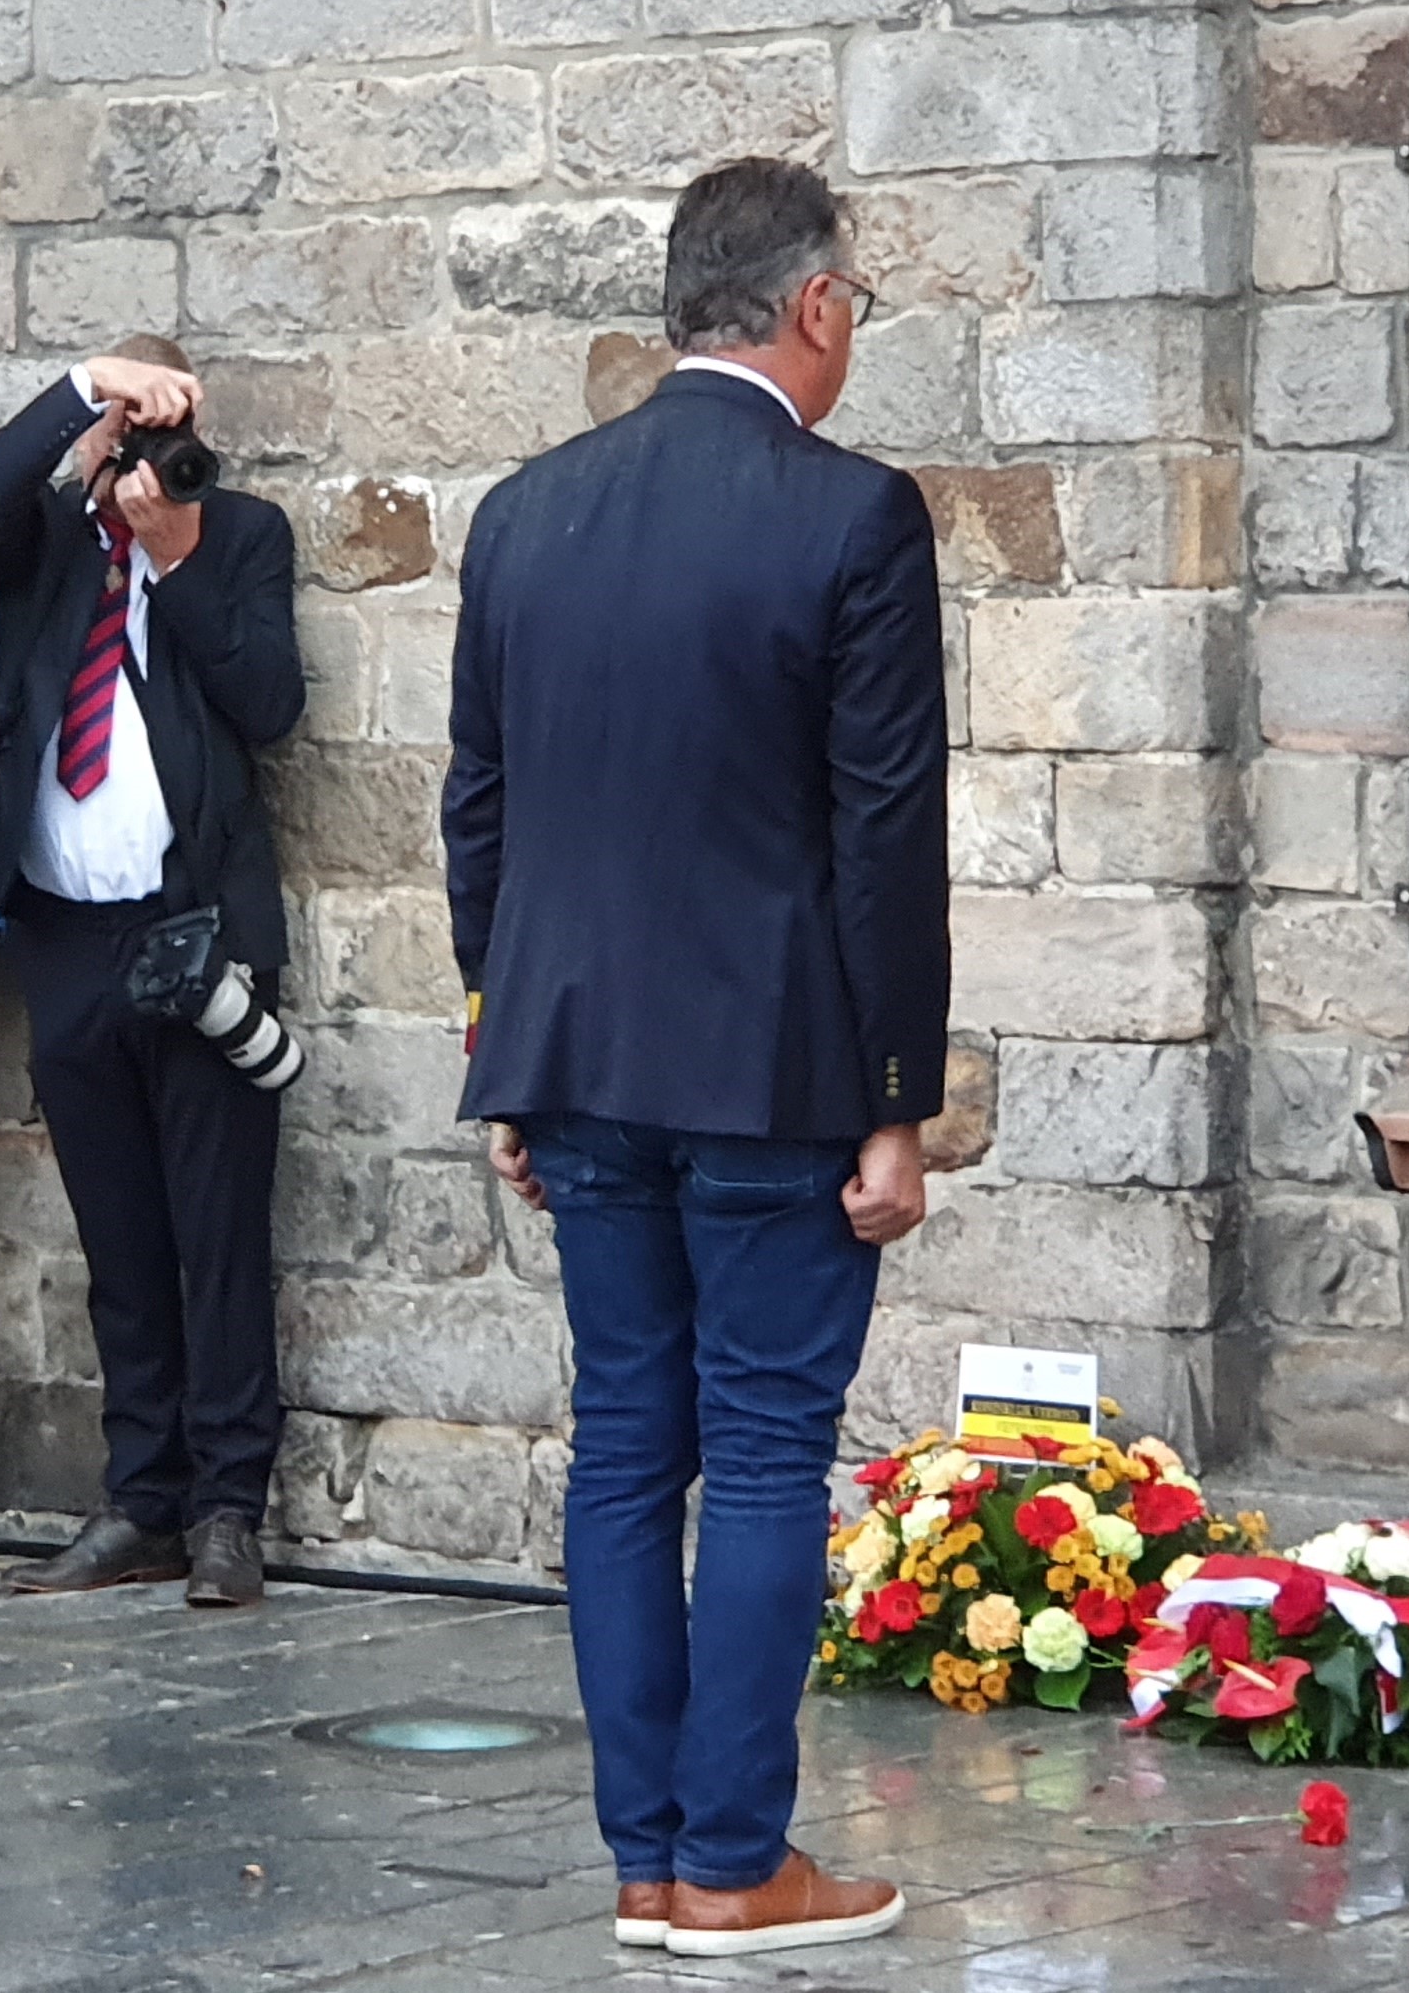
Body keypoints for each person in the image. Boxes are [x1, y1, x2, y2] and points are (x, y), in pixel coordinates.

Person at [446, 159, 948, 1959]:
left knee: (619, 1451)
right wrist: (898, 1102)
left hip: (577, 1056)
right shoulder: (853, 516)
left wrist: (504, 1042)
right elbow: (880, 834)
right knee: (756, 1452)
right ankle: (735, 1857)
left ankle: (649, 1860)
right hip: (776, 1072)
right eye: (857, 308)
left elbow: (480, 811)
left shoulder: (524, 512)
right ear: (814, 308)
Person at [0, 339, 302, 1610]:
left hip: (194, 932)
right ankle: (138, 1498)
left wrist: (176, 558)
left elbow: (268, 703)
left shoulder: (238, 536)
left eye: (156, 429)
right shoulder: (43, 544)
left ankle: (225, 1510)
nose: (143, 459)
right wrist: (80, 394)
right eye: (124, 430)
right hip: (66, 938)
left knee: (219, 1240)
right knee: (120, 1241)